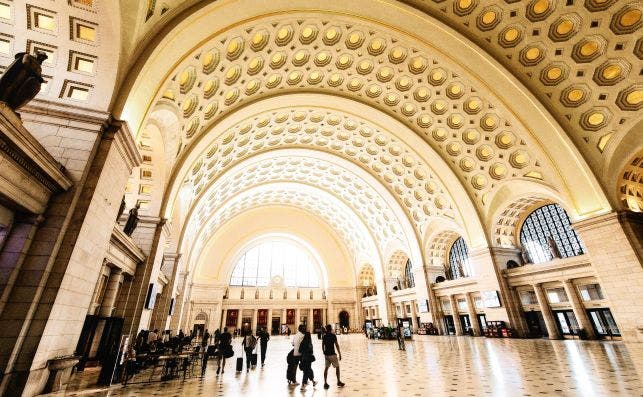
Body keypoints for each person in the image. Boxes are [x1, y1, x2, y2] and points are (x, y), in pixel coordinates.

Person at [322, 324, 345, 389]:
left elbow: (322, 345)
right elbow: (337, 345)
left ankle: (325, 383)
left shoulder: (324, 336)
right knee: (337, 367)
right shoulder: (333, 335)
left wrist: (323, 351)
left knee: (326, 368)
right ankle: (338, 381)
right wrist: (339, 354)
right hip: (332, 354)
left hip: (326, 355)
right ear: (331, 328)